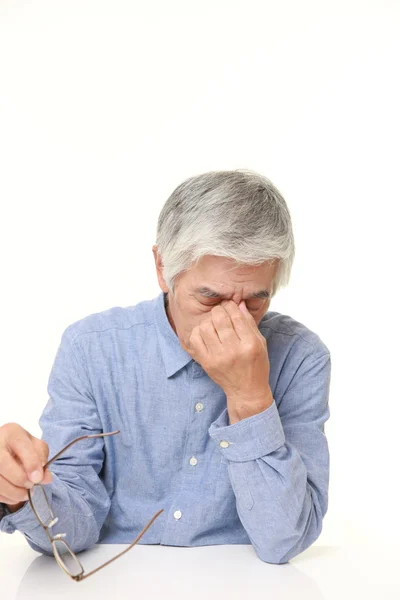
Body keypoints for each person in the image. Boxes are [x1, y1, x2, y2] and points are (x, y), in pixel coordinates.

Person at [0, 169, 331, 565]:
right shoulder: (91, 349)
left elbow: (284, 541)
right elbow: (74, 530)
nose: (231, 322)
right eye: (209, 297)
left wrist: (250, 398)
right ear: (162, 269)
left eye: (255, 302)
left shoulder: (301, 358)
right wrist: (21, 492)